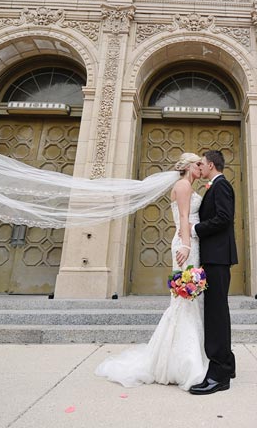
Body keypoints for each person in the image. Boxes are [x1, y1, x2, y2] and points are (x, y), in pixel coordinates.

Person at [94, 152, 208, 390]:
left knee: (188, 300)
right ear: (188, 166)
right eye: (198, 163)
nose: (201, 167)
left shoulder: (187, 185)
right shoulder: (183, 185)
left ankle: (183, 357)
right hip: (187, 244)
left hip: (190, 242)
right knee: (186, 298)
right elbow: (185, 217)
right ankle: (186, 363)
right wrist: (187, 245)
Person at [186, 150, 238, 395]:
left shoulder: (221, 186)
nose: (201, 167)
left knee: (216, 314)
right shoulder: (215, 186)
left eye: (202, 164)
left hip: (218, 258)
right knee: (217, 311)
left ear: (211, 165)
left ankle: (219, 375)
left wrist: (195, 228)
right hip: (214, 257)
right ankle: (227, 363)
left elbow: (224, 219)